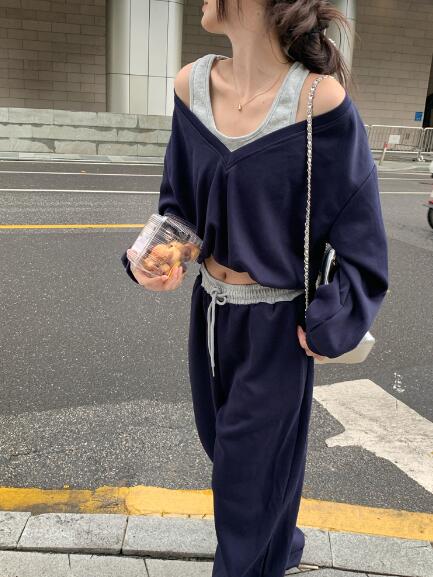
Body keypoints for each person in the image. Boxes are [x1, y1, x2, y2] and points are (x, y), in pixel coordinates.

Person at [121, 1, 389, 575]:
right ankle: (278, 546)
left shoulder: (320, 104)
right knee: (230, 454)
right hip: (209, 316)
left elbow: (363, 242)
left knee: (245, 479)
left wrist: (333, 321)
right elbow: (180, 205)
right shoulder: (191, 87)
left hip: (278, 328)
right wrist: (155, 255)